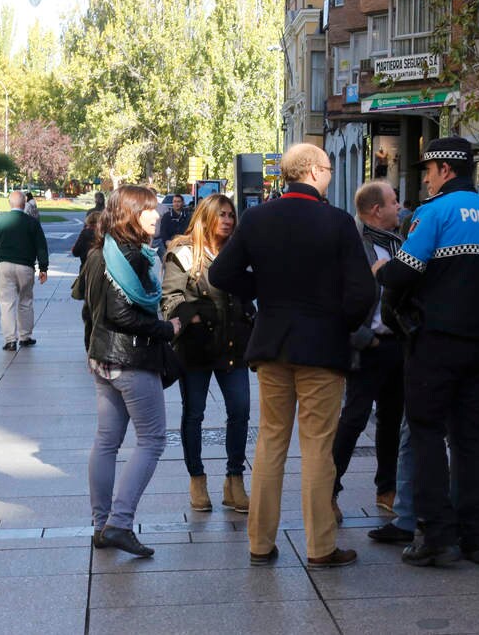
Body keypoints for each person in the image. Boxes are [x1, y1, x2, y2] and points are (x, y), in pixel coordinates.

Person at [208, 143, 375, 569]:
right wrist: (342, 323)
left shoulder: (257, 218)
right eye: (330, 167)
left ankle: (260, 543)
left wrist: (263, 291)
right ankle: (321, 547)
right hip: (322, 346)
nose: (331, 174)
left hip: (273, 343)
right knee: (318, 447)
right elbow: (363, 292)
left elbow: (221, 273)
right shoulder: (337, 222)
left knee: (270, 442)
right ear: (316, 171)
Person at [376, 136, 479, 567]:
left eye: (427, 171)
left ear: (445, 170)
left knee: (426, 433)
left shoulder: (433, 213)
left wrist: (382, 269)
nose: (425, 179)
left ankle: (436, 533)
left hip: (435, 345)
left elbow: (403, 275)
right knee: (471, 437)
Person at [74, 185, 181, 557]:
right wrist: (168, 329)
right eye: (149, 210)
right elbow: (121, 314)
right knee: (152, 440)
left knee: (106, 442)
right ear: (130, 214)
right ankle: (118, 523)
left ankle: (101, 524)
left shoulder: (98, 252)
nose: (158, 216)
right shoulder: (131, 255)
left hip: (103, 360)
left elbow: (88, 307)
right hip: (131, 361)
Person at [161, 195, 254, 514]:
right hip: (197, 346)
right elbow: (169, 299)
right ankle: (197, 479)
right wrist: (196, 316)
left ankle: (234, 480)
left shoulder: (239, 252)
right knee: (194, 413)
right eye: (222, 215)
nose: (228, 220)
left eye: (231, 215)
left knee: (240, 410)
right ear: (206, 217)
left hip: (233, 346)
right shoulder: (184, 253)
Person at [331, 180, 404, 523]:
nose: (399, 206)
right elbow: (337, 299)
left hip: (397, 345)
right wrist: (361, 337)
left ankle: (386, 489)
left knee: (392, 420)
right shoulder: (354, 247)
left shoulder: (399, 243)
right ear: (377, 210)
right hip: (368, 346)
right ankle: (329, 489)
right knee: (354, 419)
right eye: (393, 201)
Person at [0, 190, 48, 351]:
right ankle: (25, 337)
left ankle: (10, 340)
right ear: (24, 203)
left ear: (9, 204)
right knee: (25, 301)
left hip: (3, 266)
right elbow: (41, 246)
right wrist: (43, 268)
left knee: (6, 304)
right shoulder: (32, 223)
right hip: (25, 266)